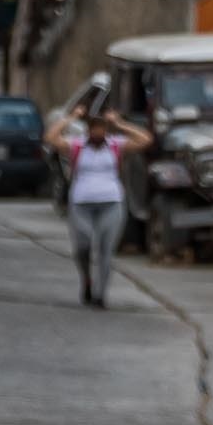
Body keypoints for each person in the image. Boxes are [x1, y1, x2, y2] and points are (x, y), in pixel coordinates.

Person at [59, 100, 145, 307]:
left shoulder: (116, 145)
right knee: (83, 245)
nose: (98, 133)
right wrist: (71, 118)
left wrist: (119, 123)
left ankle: (100, 294)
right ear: (89, 131)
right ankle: (86, 279)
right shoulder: (77, 145)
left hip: (111, 202)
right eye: (94, 130)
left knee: (106, 249)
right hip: (81, 203)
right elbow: (51, 137)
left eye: (102, 129)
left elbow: (145, 139)